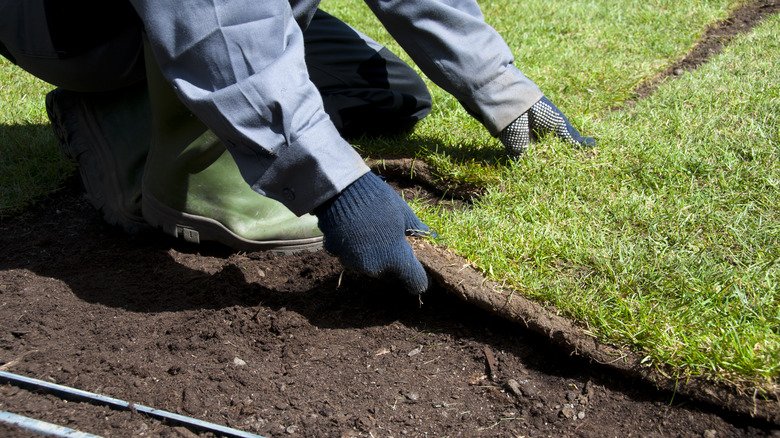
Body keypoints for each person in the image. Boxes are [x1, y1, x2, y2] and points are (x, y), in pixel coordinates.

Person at [0, 0, 595, 295]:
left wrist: (503, 91)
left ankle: (198, 92)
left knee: (394, 95)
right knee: (215, 68)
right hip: (83, 25)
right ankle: (135, 132)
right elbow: (215, 15)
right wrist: (338, 188)